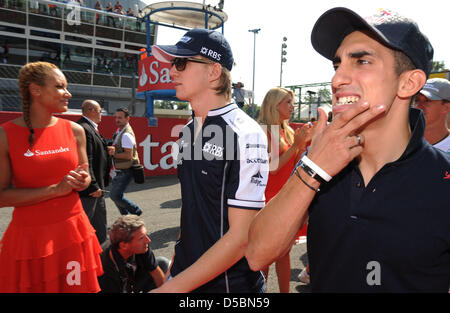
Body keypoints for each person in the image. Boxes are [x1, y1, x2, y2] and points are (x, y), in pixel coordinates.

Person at [246, 7, 450, 292]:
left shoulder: (443, 178)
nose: (337, 78)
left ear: (408, 83)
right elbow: (257, 255)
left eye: (362, 61)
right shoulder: (318, 163)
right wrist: (312, 169)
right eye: (337, 64)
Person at [150, 28, 269, 293]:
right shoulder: (187, 131)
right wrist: (174, 272)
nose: (172, 71)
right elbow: (193, 212)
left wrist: (169, 289)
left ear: (214, 72)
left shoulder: (246, 134)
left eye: (181, 63)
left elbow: (241, 238)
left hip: (230, 288)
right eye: (172, 63)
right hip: (184, 276)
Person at [0, 61, 103, 292]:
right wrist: (55, 190)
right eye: (59, 87)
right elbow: (2, 196)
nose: (68, 93)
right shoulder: (5, 135)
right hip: (30, 240)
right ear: (35, 90)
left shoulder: (76, 131)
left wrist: (82, 181)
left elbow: (85, 175)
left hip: (73, 233)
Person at [258, 87, 313, 292]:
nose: (292, 106)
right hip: (267, 199)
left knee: (283, 253)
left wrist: (301, 146)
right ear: (274, 105)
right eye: (288, 102)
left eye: (292, 102)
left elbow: (294, 165)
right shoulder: (264, 131)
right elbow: (273, 168)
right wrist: (296, 146)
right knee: (265, 255)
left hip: (285, 198)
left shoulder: (286, 131)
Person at [98, 215, 169, 293]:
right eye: (141, 238)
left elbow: (156, 273)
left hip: (132, 280)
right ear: (124, 245)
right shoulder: (105, 268)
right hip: (115, 287)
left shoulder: (143, 247)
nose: (148, 240)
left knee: (162, 263)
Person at [77, 100, 114, 244]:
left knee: (99, 223)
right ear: (91, 110)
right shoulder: (84, 128)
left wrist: (106, 149)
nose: (101, 114)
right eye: (100, 111)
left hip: (97, 186)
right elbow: (86, 159)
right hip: (91, 189)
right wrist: (92, 185)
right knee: (88, 223)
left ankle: (99, 254)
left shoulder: (89, 128)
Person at [110, 107, 143, 216]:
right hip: (120, 169)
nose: (117, 120)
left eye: (120, 118)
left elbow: (128, 156)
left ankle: (135, 211)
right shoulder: (120, 131)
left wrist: (112, 154)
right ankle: (125, 217)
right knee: (115, 195)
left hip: (126, 169)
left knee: (115, 195)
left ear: (127, 118)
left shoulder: (126, 134)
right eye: (116, 117)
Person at [415, 78, 450, 154]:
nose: (418, 107)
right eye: (417, 100)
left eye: (427, 100)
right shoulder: (399, 142)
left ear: (446, 107)